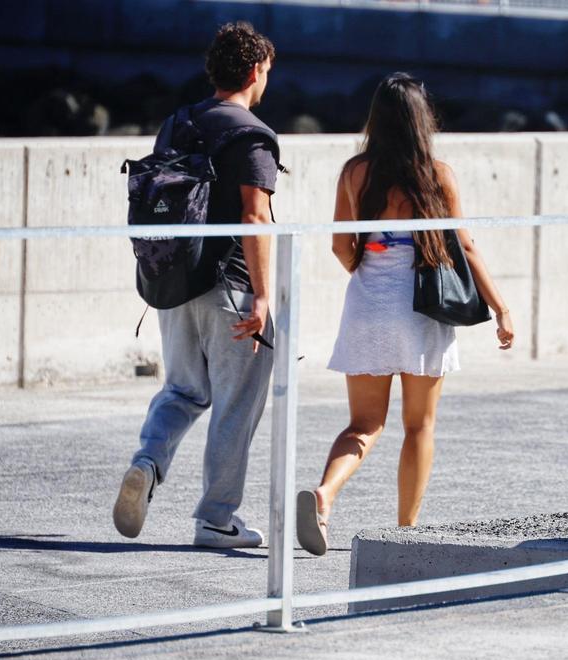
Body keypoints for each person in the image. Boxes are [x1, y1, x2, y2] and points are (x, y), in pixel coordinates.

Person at [295, 73, 514, 556]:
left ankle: (324, 496)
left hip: (367, 306)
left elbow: (340, 246)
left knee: (363, 425)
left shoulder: (355, 173)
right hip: (420, 313)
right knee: (419, 426)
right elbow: (467, 248)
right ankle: (406, 530)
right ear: (421, 121)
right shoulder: (438, 175)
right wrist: (500, 308)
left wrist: (368, 267)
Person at [112, 22, 279, 548]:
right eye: (267, 72)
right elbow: (256, 218)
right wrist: (265, 296)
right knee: (235, 402)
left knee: (183, 390)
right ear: (255, 71)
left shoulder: (177, 123)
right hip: (232, 290)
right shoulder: (252, 134)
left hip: (173, 283)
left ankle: (148, 461)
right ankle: (215, 519)